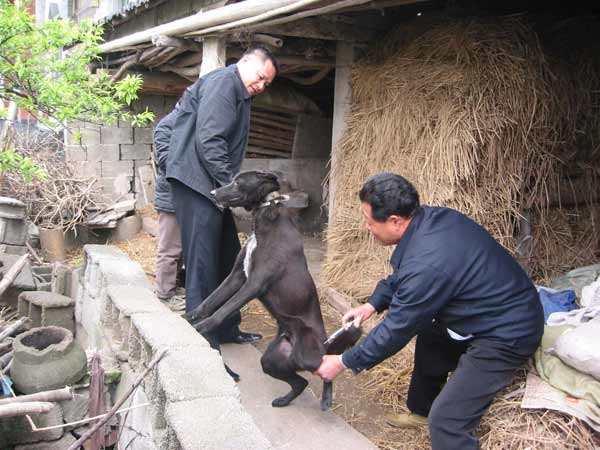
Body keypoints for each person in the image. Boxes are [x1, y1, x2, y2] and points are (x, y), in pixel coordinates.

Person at [315, 172, 544, 450]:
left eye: (369, 222)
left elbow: (397, 329)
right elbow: (402, 278)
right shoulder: (430, 222)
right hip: (483, 312)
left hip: (507, 332)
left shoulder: (428, 263)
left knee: (447, 422)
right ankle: (420, 412)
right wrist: (371, 305)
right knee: (431, 337)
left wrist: (343, 362)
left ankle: (437, 421)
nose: (367, 228)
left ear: (395, 221)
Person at [165, 46, 278, 345]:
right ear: (245, 63)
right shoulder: (225, 83)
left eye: (267, 83)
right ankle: (203, 343)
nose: (262, 85)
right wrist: (235, 188)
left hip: (210, 187)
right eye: (260, 77)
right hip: (195, 183)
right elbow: (210, 140)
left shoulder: (240, 92)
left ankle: (226, 328)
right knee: (202, 264)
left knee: (230, 256)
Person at [153, 108, 183, 307]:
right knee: (169, 249)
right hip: (170, 197)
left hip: (181, 197)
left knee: (180, 248)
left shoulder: (185, 123)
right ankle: (164, 294)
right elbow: (165, 161)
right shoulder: (166, 126)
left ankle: (172, 286)